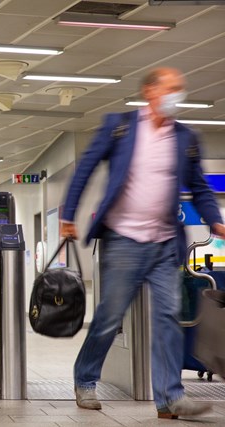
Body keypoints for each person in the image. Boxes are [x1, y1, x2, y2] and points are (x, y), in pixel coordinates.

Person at [60, 67, 225, 419]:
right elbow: (86, 169)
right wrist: (68, 215)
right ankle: (85, 378)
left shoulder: (185, 138)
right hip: (123, 240)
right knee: (109, 315)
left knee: (168, 316)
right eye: (172, 88)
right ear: (150, 91)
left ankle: (169, 398)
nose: (177, 94)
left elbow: (199, 187)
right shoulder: (119, 127)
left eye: (180, 89)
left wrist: (216, 220)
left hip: (165, 243)